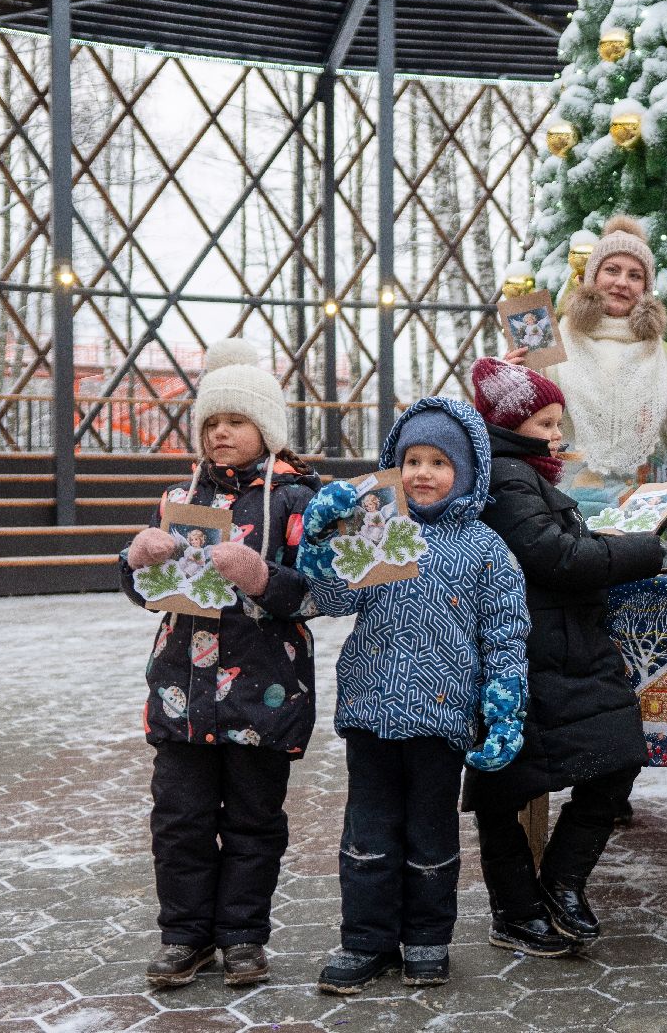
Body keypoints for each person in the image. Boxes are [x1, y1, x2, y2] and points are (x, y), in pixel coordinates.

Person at [297, 398, 530, 993]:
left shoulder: (486, 550)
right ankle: (365, 940)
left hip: (442, 719)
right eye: (411, 460)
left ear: (469, 472)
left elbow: (505, 634)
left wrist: (504, 710)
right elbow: (330, 598)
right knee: (368, 832)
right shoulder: (379, 534)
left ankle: (427, 935)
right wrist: (323, 536)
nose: (422, 473)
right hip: (372, 711)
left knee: (431, 832)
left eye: (438, 462)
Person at [118, 337, 322, 990]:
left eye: (235, 421)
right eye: (210, 422)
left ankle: (242, 938)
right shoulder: (181, 497)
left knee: (254, 822)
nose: (221, 433)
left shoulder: (297, 501)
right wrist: (135, 560)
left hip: (264, 694)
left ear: (265, 428)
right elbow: (146, 595)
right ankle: (185, 936)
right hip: (182, 692)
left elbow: (322, 592)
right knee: (178, 819)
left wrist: (262, 576)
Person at [464, 357, 666, 955]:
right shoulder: (505, 476)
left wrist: (596, 539)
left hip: (560, 647)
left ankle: (553, 886)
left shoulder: (519, 474)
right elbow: (551, 556)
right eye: (545, 422)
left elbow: (552, 548)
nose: (556, 434)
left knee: (609, 760)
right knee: (506, 787)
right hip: (530, 651)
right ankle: (523, 905)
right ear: (511, 423)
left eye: (558, 421)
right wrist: (638, 550)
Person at [505, 216, 667, 568]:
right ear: (591, 277)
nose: (621, 283)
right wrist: (512, 380)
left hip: (648, 533)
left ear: (645, 287)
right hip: (562, 529)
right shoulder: (550, 350)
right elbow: (517, 434)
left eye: (635, 275)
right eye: (612, 270)